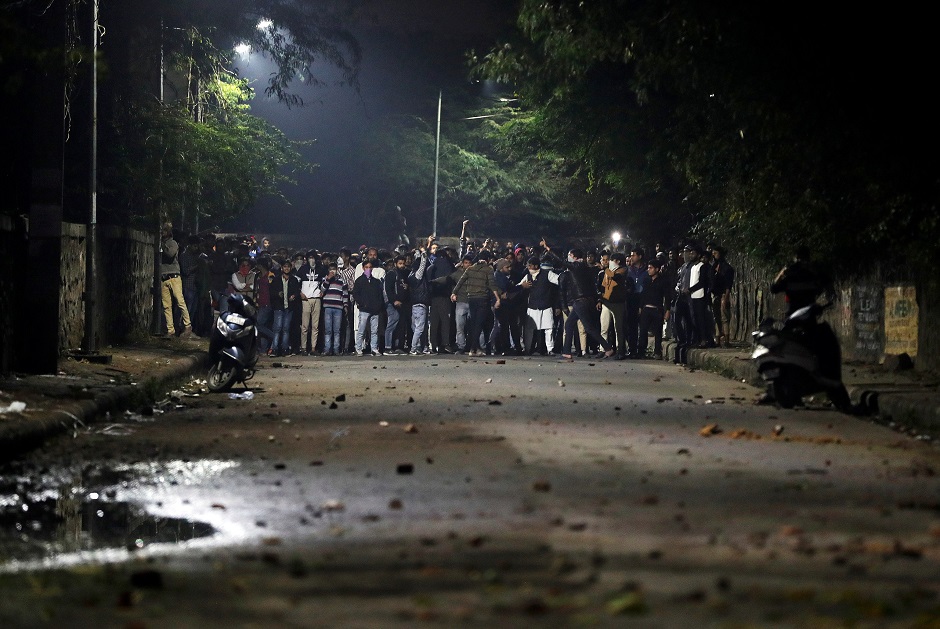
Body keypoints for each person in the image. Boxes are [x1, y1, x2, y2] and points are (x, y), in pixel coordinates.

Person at [541, 240, 615, 360]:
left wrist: (549, 250)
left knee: (588, 327)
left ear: (575, 257)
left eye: (570, 255)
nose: (568, 258)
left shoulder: (577, 266)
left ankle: (607, 348)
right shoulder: (584, 267)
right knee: (569, 324)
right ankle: (566, 351)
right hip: (583, 300)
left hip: (581, 300)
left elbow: (562, 261)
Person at [451, 249, 501, 357]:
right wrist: (498, 298)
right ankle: (474, 348)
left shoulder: (470, 269)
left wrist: (454, 293)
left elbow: (461, 281)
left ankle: (474, 349)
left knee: (474, 324)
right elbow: (492, 285)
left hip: (471, 299)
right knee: (479, 324)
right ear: (488, 259)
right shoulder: (488, 269)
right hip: (482, 299)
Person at [770, 245, 832, 316]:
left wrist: (814, 271)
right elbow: (773, 289)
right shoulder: (791, 278)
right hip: (794, 315)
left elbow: (827, 281)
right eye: (799, 260)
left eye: (803, 260)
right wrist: (781, 274)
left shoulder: (812, 275)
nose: (801, 264)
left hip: (808, 314)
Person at [518, 255, 561, 356]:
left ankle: (550, 349)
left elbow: (559, 280)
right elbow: (519, 286)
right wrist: (522, 286)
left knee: (549, 328)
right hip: (532, 306)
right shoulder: (527, 276)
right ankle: (527, 349)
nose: (528, 268)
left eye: (530, 266)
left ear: (536, 266)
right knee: (529, 329)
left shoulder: (547, 274)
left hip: (546, 305)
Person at [160, 222, 193, 338]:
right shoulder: (161, 244)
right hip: (163, 277)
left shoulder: (172, 243)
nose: (162, 233)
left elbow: (170, 254)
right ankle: (170, 330)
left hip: (174, 276)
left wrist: (162, 245)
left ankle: (187, 325)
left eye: (164, 231)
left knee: (180, 301)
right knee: (166, 305)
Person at [427, 236, 457, 353]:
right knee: (445, 322)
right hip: (445, 297)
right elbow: (453, 279)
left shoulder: (431, 267)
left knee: (434, 323)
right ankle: (445, 344)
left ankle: (433, 345)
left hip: (433, 298)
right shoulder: (448, 266)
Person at [637, 259, 672, 359]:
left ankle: (657, 352)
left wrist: (667, 310)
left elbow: (667, 296)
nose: (649, 270)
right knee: (643, 331)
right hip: (646, 309)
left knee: (658, 332)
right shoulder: (646, 280)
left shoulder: (663, 281)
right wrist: (640, 307)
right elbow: (643, 294)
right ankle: (641, 351)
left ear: (657, 269)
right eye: (648, 267)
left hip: (657, 309)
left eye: (651, 268)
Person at [598, 252, 629, 359]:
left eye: (611, 260)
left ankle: (620, 351)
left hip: (618, 303)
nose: (609, 262)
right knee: (604, 327)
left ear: (618, 262)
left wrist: (606, 270)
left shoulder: (622, 270)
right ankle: (603, 349)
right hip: (607, 302)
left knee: (618, 328)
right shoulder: (606, 272)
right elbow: (602, 287)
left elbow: (615, 278)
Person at [353, 258, 386, 356]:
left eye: (370, 267)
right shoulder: (359, 281)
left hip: (375, 310)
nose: (368, 269)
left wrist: (378, 305)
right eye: (366, 267)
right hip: (364, 310)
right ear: (363, 268)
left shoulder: (376, 282)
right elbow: (356, 294)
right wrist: (363, 304)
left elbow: (380, 295)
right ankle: (358, 348)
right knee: (361, 330)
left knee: (374, 331)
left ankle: (374, 348)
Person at [270, 259, 300, 357]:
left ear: (291, 268)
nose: (286, 268)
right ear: (282, 268)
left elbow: (297, 291)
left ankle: (285, 349)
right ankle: (274, 349)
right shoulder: (277, 279)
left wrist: (294, 296)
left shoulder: (294, 280)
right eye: (285, 266)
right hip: (279, 307)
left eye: (288, 266)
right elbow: (271, 292)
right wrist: (278, 294)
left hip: (289, 308)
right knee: (277, 328)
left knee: (286, 329)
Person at [298, 250, 325, 355]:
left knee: (315, 325)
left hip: (316, 299)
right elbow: (296, 282)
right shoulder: (303, 269)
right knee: (305, 326)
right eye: (309, 257)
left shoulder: (320, 269)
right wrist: (300, 293)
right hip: (306, 299)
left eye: (313, 257)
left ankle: (313, 348)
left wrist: (322, 291)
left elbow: (324, 282)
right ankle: (303, 348)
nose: (311, 259)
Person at [320, 263, 349, 356]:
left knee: (337, 330)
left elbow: (345, 293)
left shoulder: (341, 280)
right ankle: (327, 349)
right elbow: (322, 289)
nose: (332, 271)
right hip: (328, 306)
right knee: (328, 329)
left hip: (338, 308)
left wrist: (345, 305)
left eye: (334, 269)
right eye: (331, 269)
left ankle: (336, 349)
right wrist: (328, 279)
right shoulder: (325, 279)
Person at [710, 245, 735, 347]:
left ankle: (727, 340)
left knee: (724, 317)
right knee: (716, 317)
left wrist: (726, 297)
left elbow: (728, 284)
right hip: (715, 294)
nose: (714, 255)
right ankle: (717, 339)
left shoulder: (727, 268)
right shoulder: (714, 266)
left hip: (723, 294)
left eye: (715, 253)